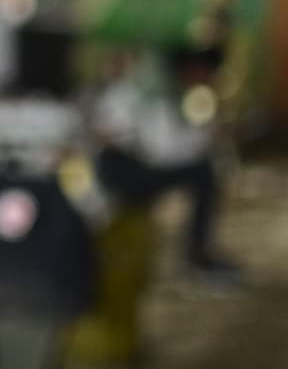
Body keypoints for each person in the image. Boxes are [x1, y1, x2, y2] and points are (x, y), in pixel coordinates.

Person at [92, 45, 240, 280]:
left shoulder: (158, 88)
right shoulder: (154, 93)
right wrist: (208, 137)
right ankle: (198, 255)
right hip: (122, 174)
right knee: (203, 174)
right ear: (194, 68)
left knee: (202, 172)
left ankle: (197, 252)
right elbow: (162, 153)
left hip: (126, 167)